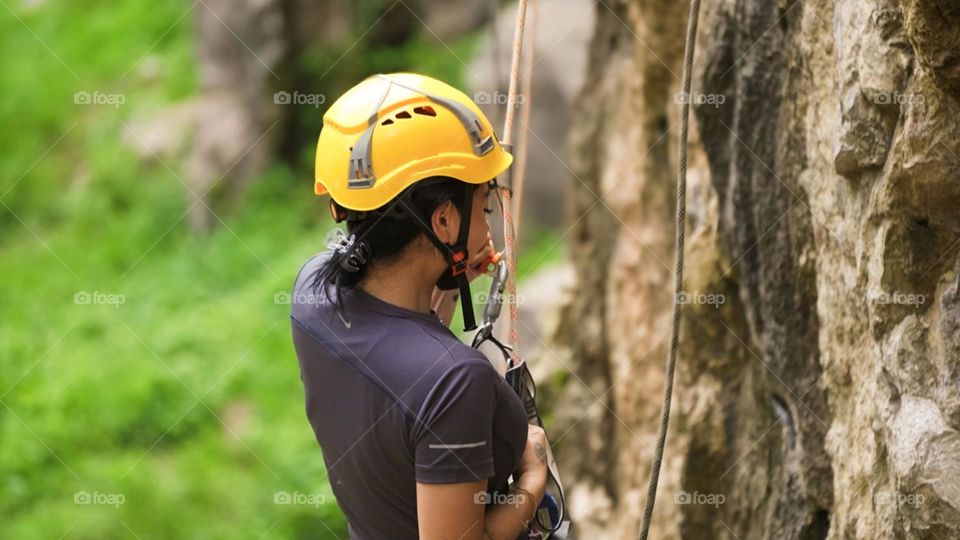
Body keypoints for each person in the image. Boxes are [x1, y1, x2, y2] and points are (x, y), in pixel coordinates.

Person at [290, 73, 549, 539]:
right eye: (484, 206)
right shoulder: (454, 381)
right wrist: (532, 481)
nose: (489, 226)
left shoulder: (313, 292)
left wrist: (447, 278)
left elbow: (398, 353)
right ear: (444, 220)